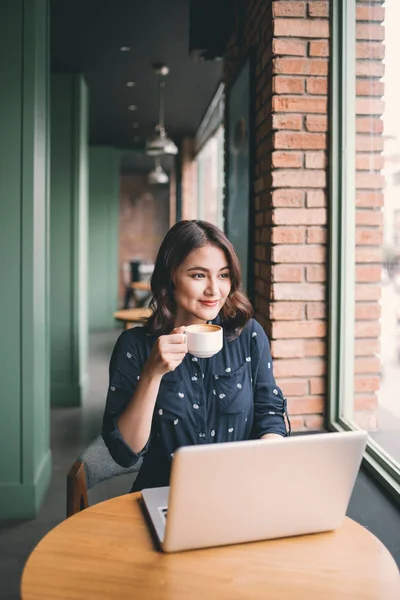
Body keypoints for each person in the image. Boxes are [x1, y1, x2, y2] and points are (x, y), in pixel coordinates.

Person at [102, 220, 290, 491]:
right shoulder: (135, 346)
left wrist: (262, 463)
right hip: (164, 495)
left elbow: (269, 412)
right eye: (199, 275)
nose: (215, 290)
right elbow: (125, 452)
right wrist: (153, 374)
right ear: (170, 278)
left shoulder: (248, 335)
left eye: (223, 275)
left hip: (239, 491)